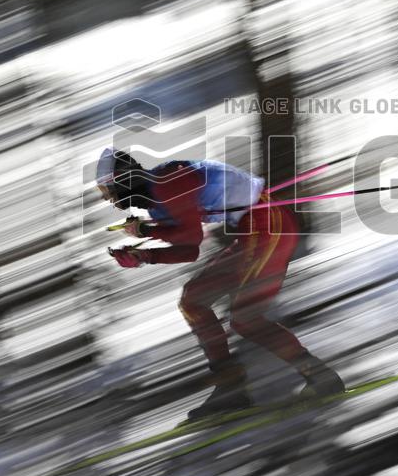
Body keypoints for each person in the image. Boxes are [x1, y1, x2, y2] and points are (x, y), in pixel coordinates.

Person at [96, 147, 345, 419]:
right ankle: (231, 388)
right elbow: (189, 252)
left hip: (268, 224)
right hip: (252, 230)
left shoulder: (168, 183)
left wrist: (146, 232)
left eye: (108, 192)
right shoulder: (158, 199)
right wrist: (144, 255)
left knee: (245, 318)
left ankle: (321, 377)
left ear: (123, 181)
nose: (111, 201)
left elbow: (191, 238)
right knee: (193, 300)